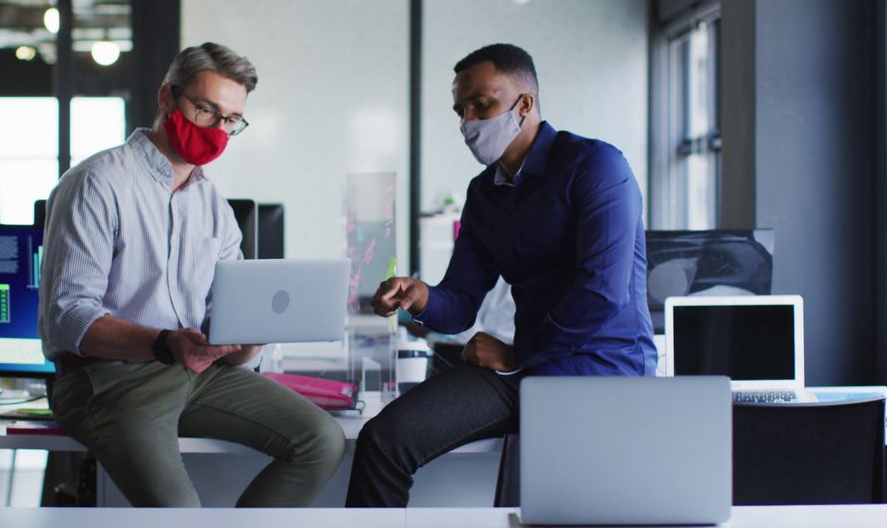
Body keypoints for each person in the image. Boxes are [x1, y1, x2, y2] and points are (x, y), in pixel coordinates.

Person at [345, 43, 656, 507]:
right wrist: (420, 295)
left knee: (545, 503)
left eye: (482, 105)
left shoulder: (596, 166)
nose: (468, 121)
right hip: (523, 369)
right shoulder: (484, 193)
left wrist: (516, 352)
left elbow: (601, 295)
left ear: (524, 104)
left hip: (598, 369)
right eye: (461, 109)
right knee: (383, 441)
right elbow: (460, 301)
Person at [39, 42, 345, 507]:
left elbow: (223, 326)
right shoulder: (97, 183)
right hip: (107, 378)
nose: (218, 130)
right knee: (180, 515)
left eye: (230, 121)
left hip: (195, 372)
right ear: (167, 98)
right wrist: (164, 342)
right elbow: (69, 316)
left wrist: (248, 338)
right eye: (206, 110)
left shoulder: (213, 207)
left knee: (322, 440)